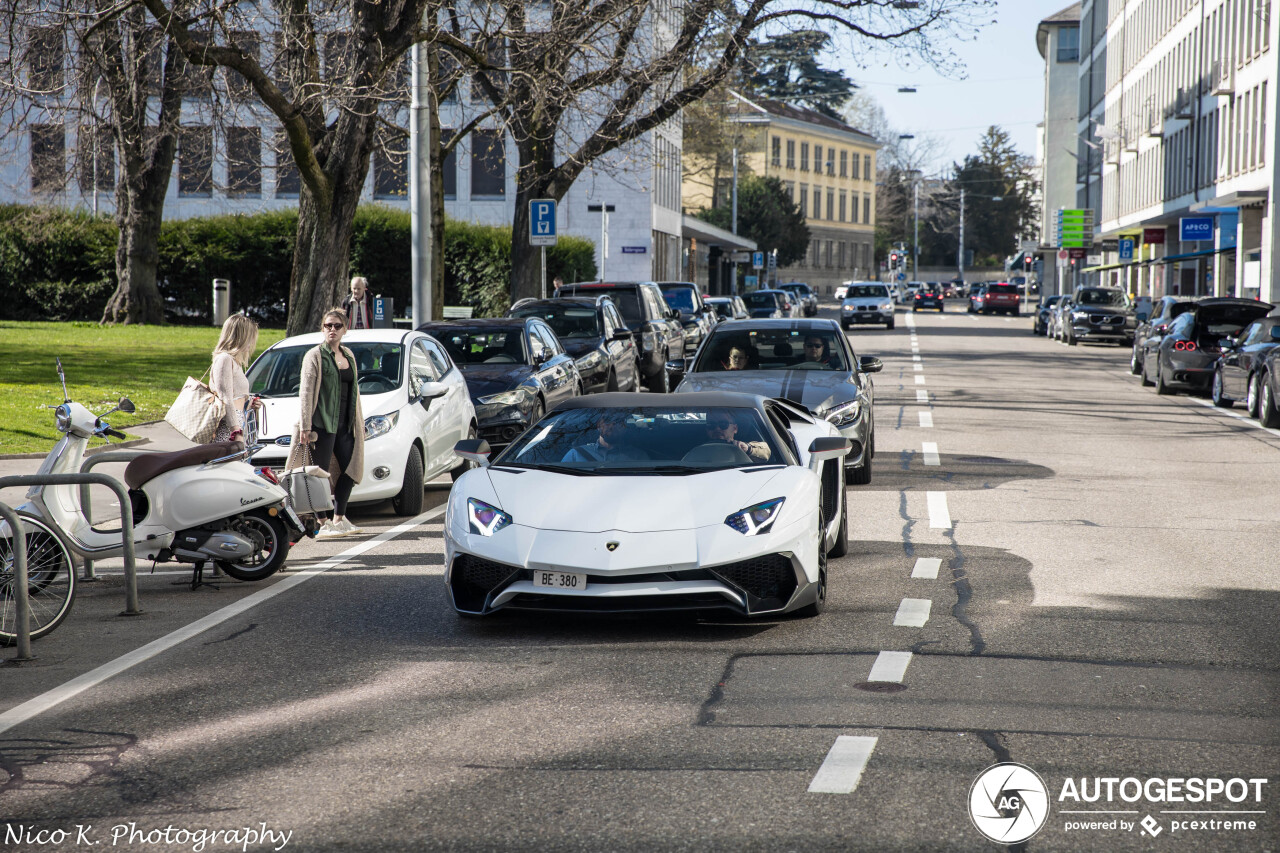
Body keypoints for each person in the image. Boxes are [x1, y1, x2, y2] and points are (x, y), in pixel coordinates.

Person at [289, 309, 366, 539]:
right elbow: (305, 392)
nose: (332, 329)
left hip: (345, 425)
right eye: (328, 325)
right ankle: (323, 522)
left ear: (345, 329)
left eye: (337, 326)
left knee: (352, 470)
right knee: (319, 475)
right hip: (321, 425)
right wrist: (305, 426)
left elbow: (355, 392)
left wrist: (359, 422)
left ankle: (339, 518)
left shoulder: (348, 355)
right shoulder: (314, 356)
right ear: (322, 328)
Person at [209, 313, 263, 443]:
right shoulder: (225, 359)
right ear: (240, 337)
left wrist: (250, 404)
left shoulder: (234, 362)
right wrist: (236, 431)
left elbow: (235, 397)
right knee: (230, 462)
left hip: (238, 422)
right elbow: (225, 397)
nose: (251, 342)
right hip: (229, 427)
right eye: (249, 337)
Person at [561, 413, 648, 463]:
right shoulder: (575, 454)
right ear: (598, 425)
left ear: (624, 427)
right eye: (607, 420)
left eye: (618, 421)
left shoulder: (638, 456)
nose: (612, 425)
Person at [704, 410, 770, 461]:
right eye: (711, 424)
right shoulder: (698, 449)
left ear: (735, 428)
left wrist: (749, 449)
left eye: (723, 424)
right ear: (707, 429)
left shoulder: (742, 448)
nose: (717, 429)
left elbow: (767, 450)